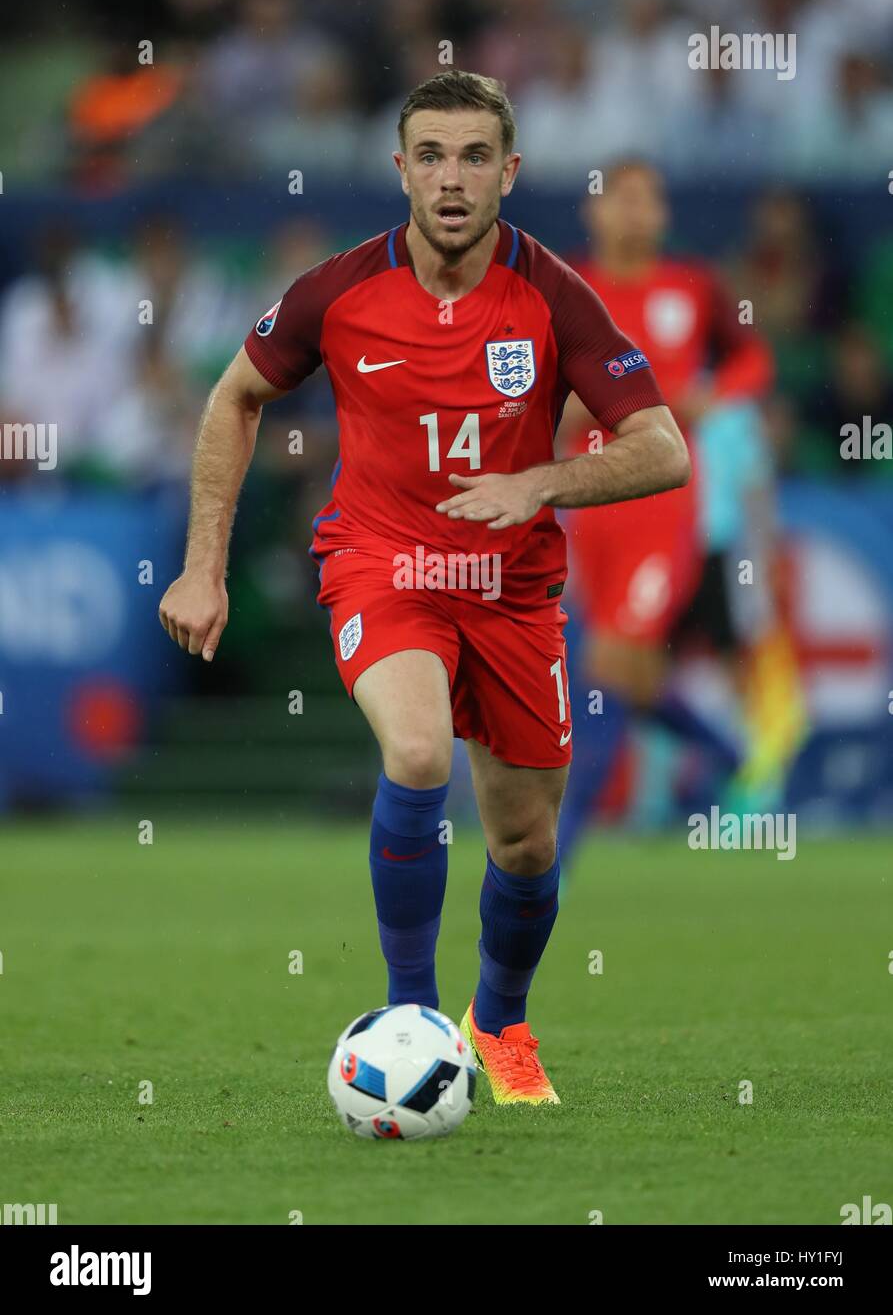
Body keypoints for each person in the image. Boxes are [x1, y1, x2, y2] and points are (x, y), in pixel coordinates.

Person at [158, 72, 689, 1106]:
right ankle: (412, 1018)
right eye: (431, 157)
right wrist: (201, 564)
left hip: (511, 591)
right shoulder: (337, 290)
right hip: (381, 561)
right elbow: (234, 397)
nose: (452, 180)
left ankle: (499, 1020)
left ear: (510, 172)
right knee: (411, 751)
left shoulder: (552, 296)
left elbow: (661, 447)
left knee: (524, 844)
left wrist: (542, 479)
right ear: (400, 168)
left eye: (475, 157)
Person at [556, 159, 773, 863]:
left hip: (663, 501)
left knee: (608, 666)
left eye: (647, 199)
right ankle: (727, 750)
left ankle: (553, 861)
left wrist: (715, 396)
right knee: (627, 670)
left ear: (662, 213)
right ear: (594, 213)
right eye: (619, 198)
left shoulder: (691, 286)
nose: (633, 212)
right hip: (589, 503)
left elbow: (750, 360)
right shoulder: (567, 291)